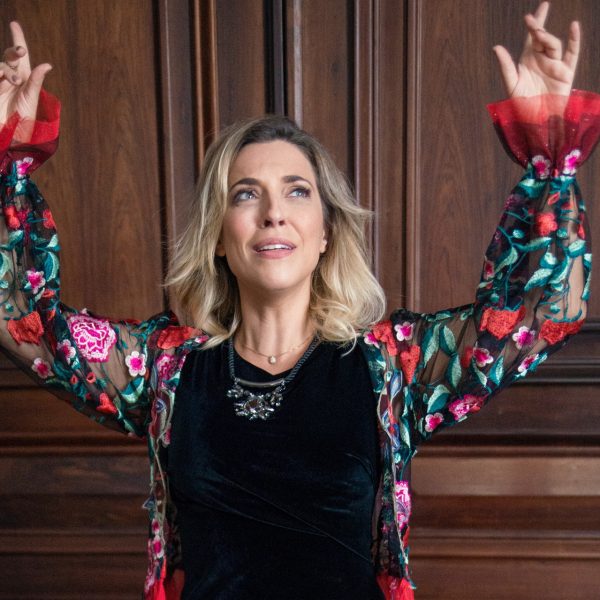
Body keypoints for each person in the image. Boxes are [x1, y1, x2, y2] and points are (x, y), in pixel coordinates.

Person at [0, 2, 597, 598]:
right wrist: (7, 160)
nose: (274, 213)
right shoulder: (163, 367)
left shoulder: (391, 365)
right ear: (217, 236)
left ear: (326, 230)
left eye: (297, 191)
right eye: (245, 194)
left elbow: (548, 310)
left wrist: (551, 155)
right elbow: (20, 320)